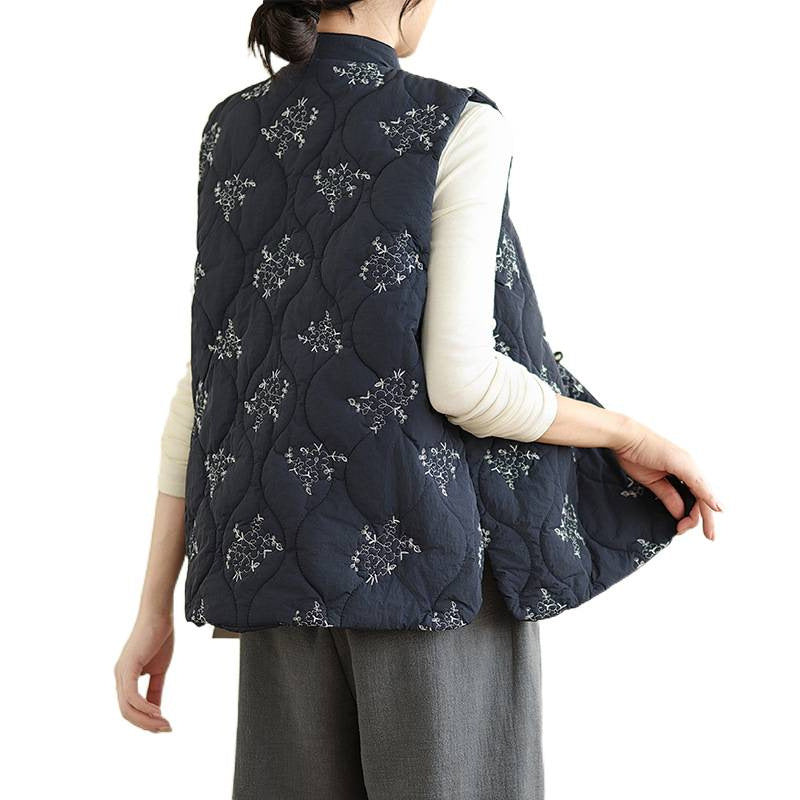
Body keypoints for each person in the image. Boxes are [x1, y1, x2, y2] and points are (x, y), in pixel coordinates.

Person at [115, 2, 722, 798]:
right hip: (431, 575)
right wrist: (627, 435)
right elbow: (465, 382)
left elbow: (209, 381)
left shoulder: (232, 129)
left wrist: (152, 607)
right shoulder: (453, 124)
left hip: (278, 577)